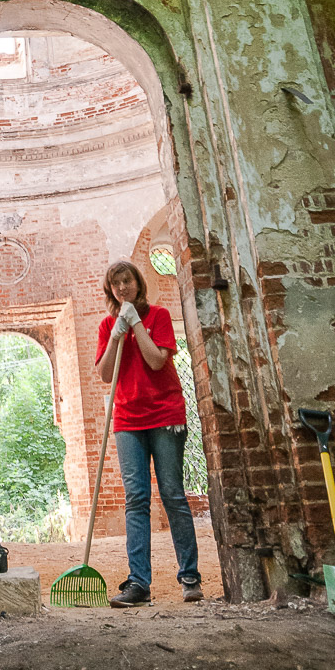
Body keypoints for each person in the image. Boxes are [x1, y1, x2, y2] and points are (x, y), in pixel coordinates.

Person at [95, 259, 203, 608]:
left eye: (127, 281)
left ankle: (189, 577)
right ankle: (139, 583)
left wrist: (136, 323)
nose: (122, 288)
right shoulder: (107, 325)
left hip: (164, 415)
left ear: (138, 283)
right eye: (116, 284)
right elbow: (105, 374)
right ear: (110, 290)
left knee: (172, 494)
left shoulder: (158, 315)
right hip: (128, 420)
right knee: (136, 499)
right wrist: (116, 335)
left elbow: (157, 360)